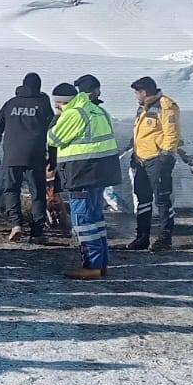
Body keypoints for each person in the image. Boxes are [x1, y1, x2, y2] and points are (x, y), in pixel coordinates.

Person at [46, 77, 121, 280]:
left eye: (58, 104)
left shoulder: (74, 113)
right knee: (96, 219)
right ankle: (101, 264)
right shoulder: (97, 110)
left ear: (64, 102)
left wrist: (60, 117)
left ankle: (91, 266)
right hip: (100, 173)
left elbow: (53, 138)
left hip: (82, 173)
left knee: (83, 220)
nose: (57, 107)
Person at [0, 72, 54, 243]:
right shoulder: (43, 104)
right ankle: (37, 233)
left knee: (11, 190)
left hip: (12, 155)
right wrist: (53, 157)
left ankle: (16, 225)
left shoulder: (10, 103)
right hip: (35, 155)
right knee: (37, 193)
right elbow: (53, 131)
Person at [126, 76, 182, 251]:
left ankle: (165, 237)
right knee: (143, 199)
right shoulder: (142, 108)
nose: (136, 96)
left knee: (162, 198)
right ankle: (142, 237)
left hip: (157, 159)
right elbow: (140, 134)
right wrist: (134, 154)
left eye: (137, 92)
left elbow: (172, 133)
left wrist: (165, 156)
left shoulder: (166, 105)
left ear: (144, 92)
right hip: (141, 160)